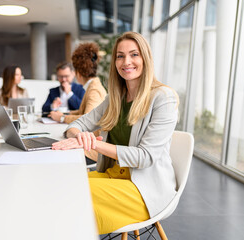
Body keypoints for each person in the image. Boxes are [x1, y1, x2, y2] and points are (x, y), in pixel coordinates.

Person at [52, 32, 179, 234]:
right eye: (120, 56)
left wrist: (93, 143)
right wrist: (80, 136)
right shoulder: (115, 98)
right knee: (60, 185)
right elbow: (77, 124)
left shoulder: (163, 98)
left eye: (134, 54)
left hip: (144, 189)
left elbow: (145, 157)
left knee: (73, 196)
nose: (126, 61)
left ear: (145, 58)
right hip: (115, 176)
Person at [48, 42, 107, 124]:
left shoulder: (94, 91)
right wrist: (64, 114)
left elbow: (88, 119)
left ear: (77, 73)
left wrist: (62, 118)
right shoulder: (93, 86)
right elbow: (82, 111)